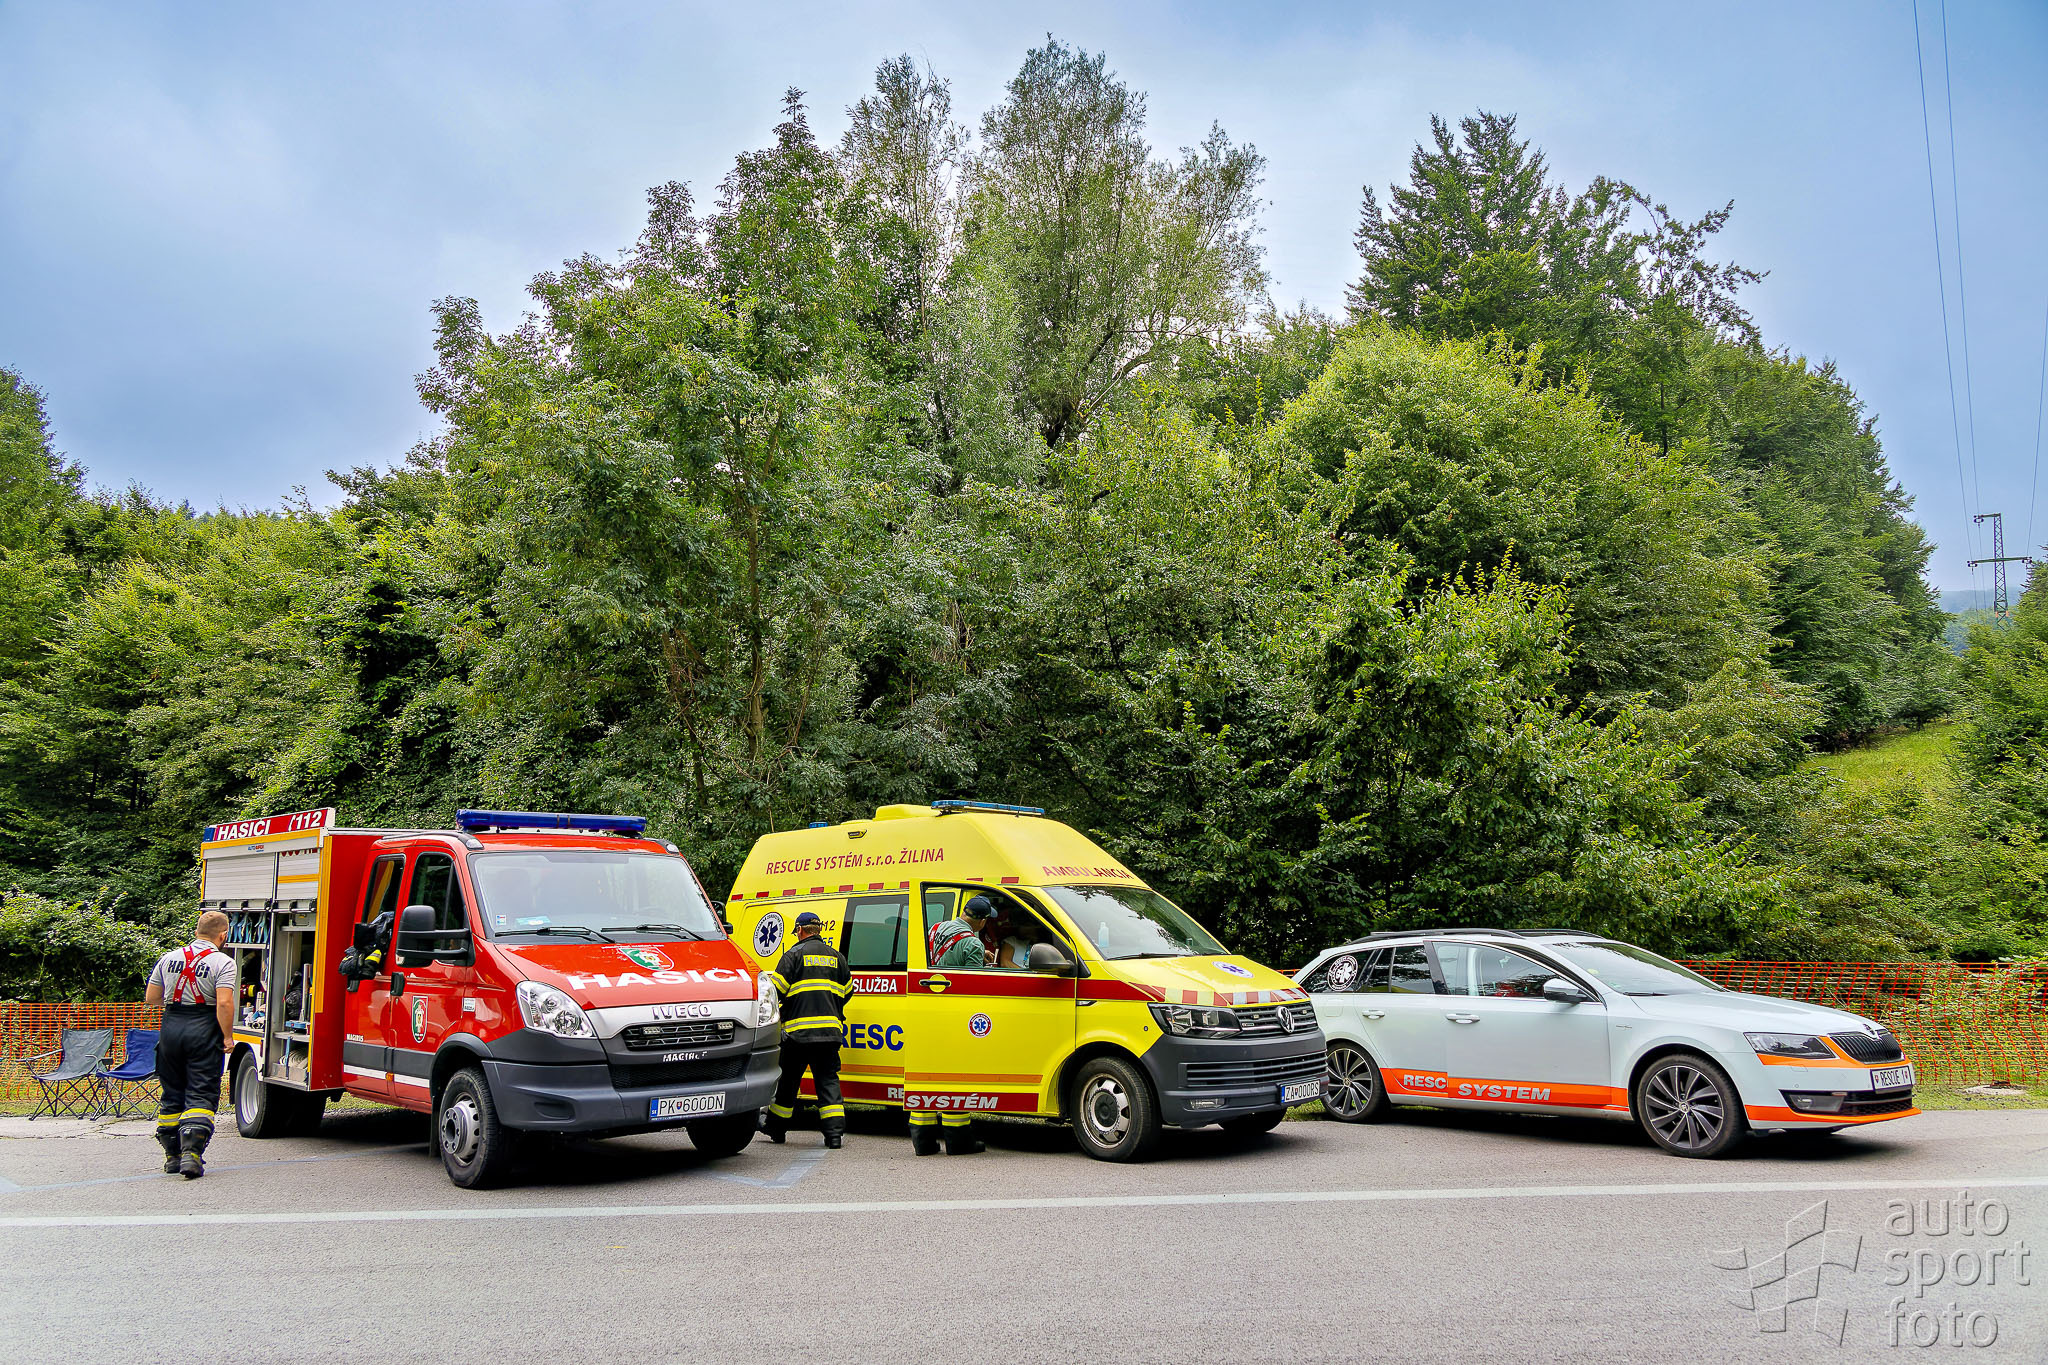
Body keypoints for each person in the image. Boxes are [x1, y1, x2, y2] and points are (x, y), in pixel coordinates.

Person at [143, 910, 238, 1178]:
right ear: (223, 935)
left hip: (171, 1028)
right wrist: (227, 1036)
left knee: (172, 1091)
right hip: (203, 1028)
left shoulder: (168, 957)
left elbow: (152, 997)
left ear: (196, 932)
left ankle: (172, 1156)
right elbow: (223, 1003)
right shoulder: (223, 962)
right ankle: (191, 1155)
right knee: (201, 1090)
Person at [908, 896, 996, 1155]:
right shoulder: (973, 943)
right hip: (954, 1017)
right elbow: (973, 986)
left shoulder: (936, 928)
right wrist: (982, 960)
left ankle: (923, 1142)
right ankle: (958, 1142)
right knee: (955, 1077)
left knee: (925, 1077)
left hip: (925, 1013)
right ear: (981, 921)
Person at [761, 910, 851, 1149]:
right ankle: (834, 1135)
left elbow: (775, 992)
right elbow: (847, 992)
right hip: (829, 1034)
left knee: (789, 1082)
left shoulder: (793, 955)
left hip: (797, 1035)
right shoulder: (837, 957)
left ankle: (776, 1129)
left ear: (800, 930)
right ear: (818, 930)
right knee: (828, 1081)